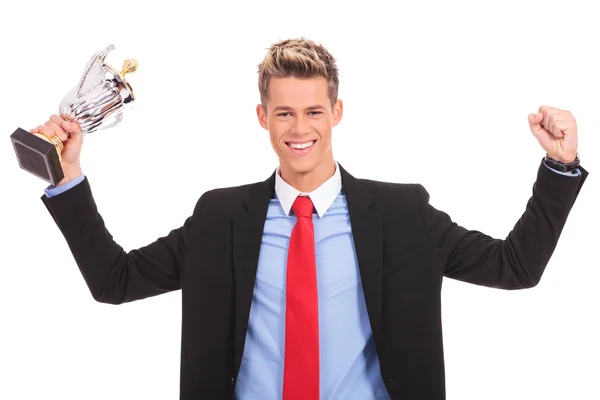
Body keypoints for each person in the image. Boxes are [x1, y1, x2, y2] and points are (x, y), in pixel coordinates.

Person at [30, 38, 588, 400]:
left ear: (336, 112)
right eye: (285, 113)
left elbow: (515, 267)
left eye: (315, 111)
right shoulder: (219, 217)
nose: (301, 128)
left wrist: (559, 167)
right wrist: (66, 174)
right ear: (263, 117)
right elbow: (115, 281)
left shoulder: (402, 214)